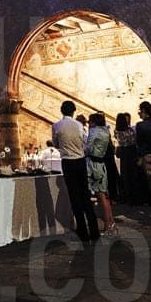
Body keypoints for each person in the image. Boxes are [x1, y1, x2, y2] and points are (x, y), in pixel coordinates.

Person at [52, 101, 99, 243]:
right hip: (80, 161)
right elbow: (85, 142)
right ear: (73, 111)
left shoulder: (56, 126)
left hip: (67, 162)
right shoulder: (79, 125)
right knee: (85, 195)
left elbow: (55, 144)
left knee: (74, 196)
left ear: (61, 111)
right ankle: (94, 231)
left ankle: (83, 233)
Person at [86, 113, 117, 236]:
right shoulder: (105, 131)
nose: (89, 123)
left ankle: (108, 225)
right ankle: (111, 222)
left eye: (90, 121)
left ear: (93, 122)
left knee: (101, 196)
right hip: (101, 163)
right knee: (104, 195)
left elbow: (88, 148)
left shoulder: (93, 132)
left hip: (94, 164)